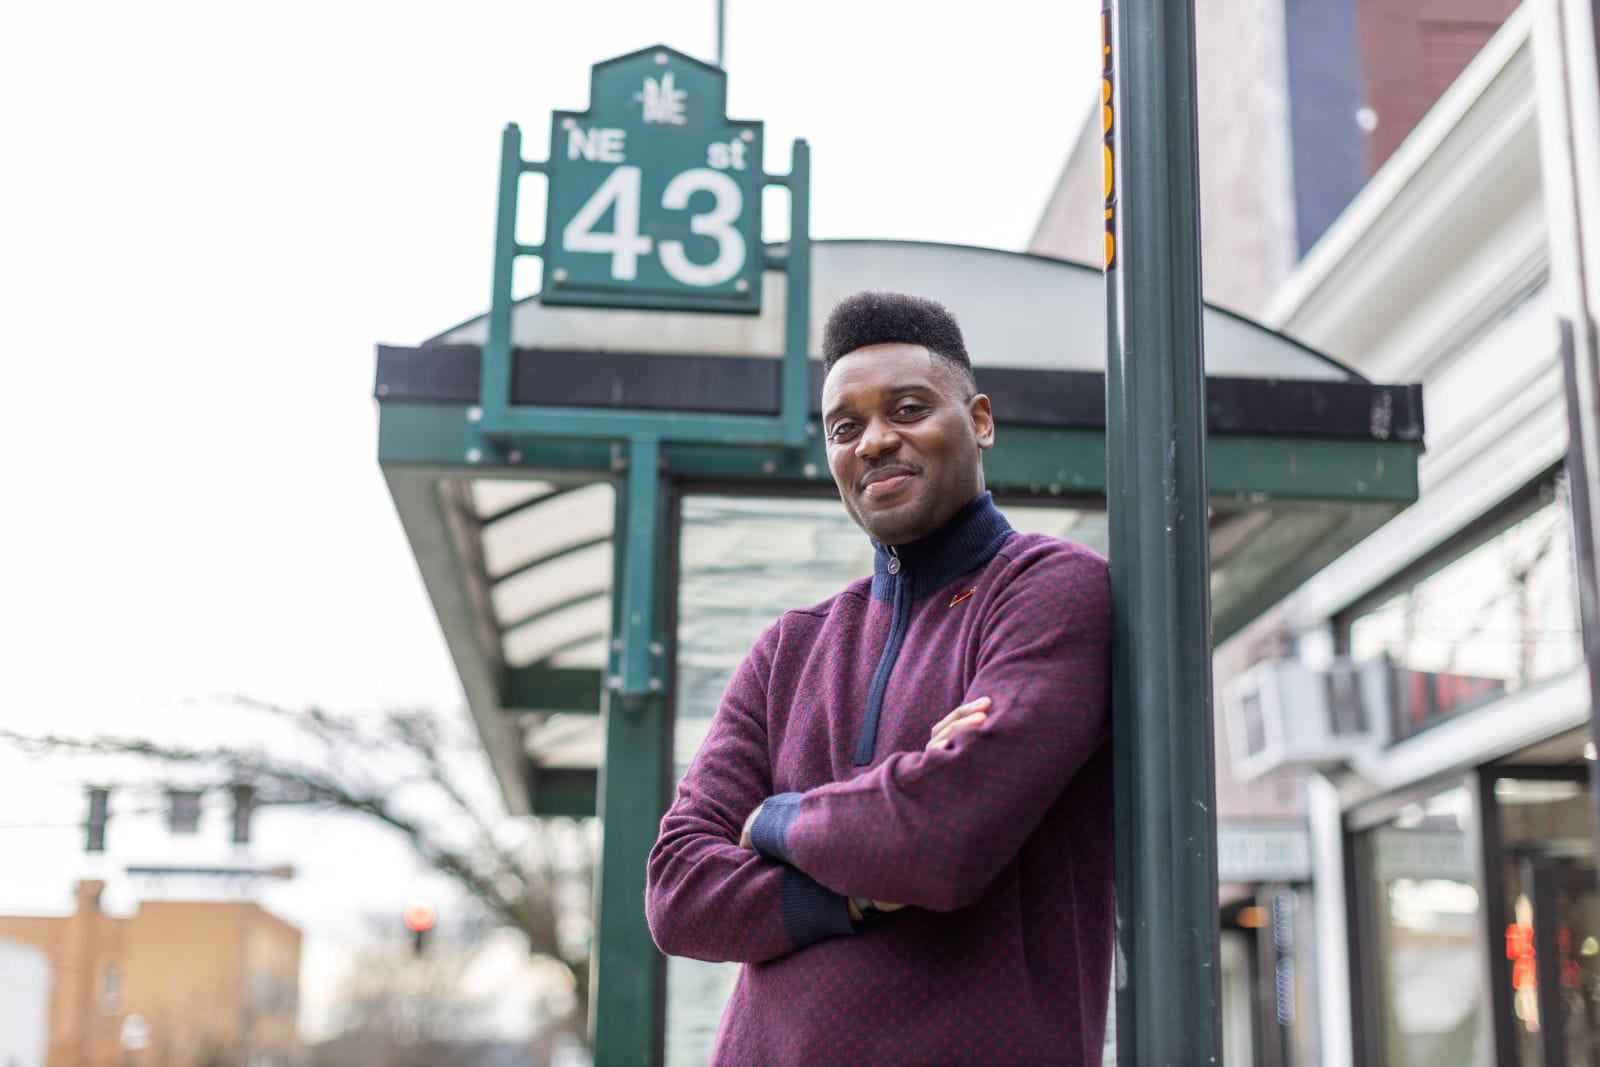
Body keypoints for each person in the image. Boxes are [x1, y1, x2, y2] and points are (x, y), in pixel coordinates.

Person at [645, 290, 1113, 1064]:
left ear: (981, 420)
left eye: (907, 408)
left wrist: (768, 820)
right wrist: (853, 891)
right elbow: (678, 891)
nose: (874, 441)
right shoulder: (789, 649)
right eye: (846, 426)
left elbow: (940, 836)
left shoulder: (1048, 588)